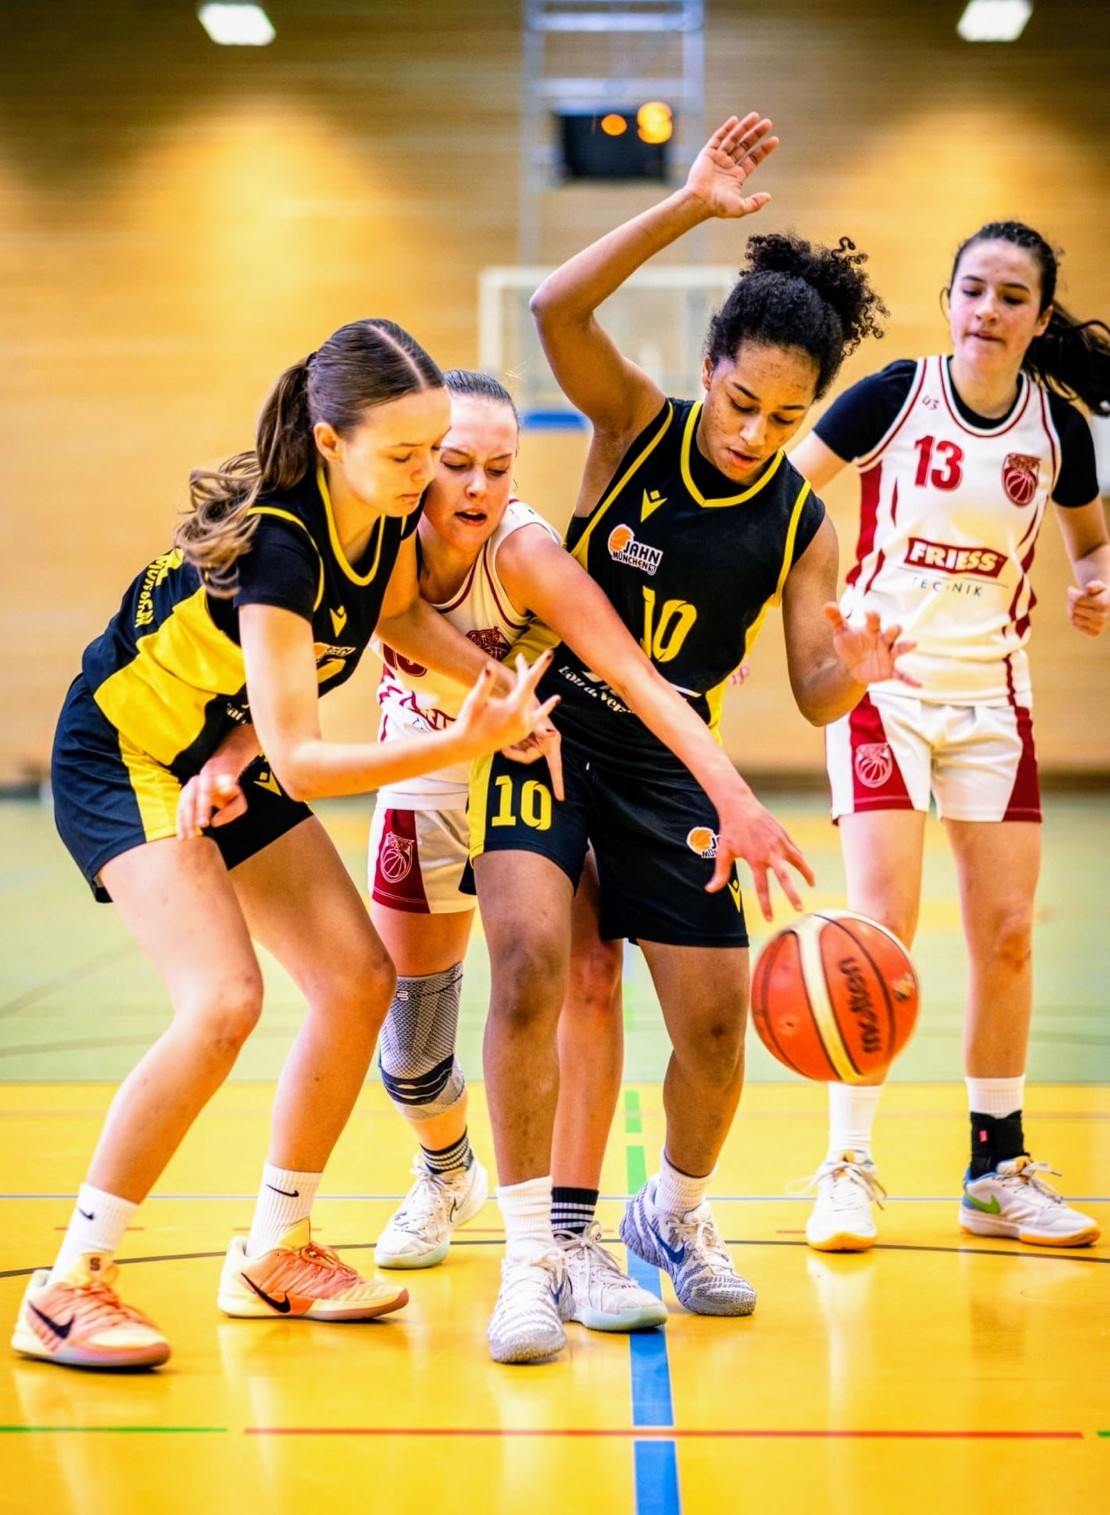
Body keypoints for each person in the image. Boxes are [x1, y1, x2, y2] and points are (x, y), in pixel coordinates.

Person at [11, 319, 558, 1373]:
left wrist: (501, 689)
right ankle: (69, 1283)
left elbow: (398, 623)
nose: (426, 478)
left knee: (358, 980)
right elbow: (304, 761)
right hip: (125, 750)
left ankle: (277, 1248)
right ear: (331, 442)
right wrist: (464, 737)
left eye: (433, 451)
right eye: (406, 455)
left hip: (218, 747)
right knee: (224, 1001)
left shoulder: (383, 521)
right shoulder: (279, 546)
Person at [471, 113, 912, 1364]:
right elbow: (555, 308)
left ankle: (671, 1212)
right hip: (551, 727)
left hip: (677, 768)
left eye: (786, 415)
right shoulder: (635, 424)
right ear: (708, 366)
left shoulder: (800, 524)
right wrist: (687, 206)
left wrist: (857, 672)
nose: (755, 432)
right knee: (543, 967)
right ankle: (539, 1253)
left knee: (717, 1028)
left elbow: (815, 692)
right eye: (740, 400)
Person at [789, 221, 1110, 1252]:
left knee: (1007, 934)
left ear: (1040, 319)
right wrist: (763, 620)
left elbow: (1092, 547)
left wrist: (1096, 586)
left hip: (993, 700)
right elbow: (777, 501)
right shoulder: (893, 397)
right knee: (878, 929)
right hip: (883, 691)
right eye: (973, 289)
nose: (988, 310)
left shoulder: (1057, 431)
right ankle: (847, 1163)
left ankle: (994, 1171)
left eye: (1012, 297)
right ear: (949, 300)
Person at [367, 368, 666, 1333]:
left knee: (575, 974)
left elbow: (619, 637)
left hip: (522, 771)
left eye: (499, 469)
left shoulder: (524, 549)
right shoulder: (379, 537)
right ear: (421, 461)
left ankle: (561, 1236)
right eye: (458, 464)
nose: (479, 488)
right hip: (419, 773)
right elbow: (338, 631)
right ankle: (447, 1170)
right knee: (412, 1054)